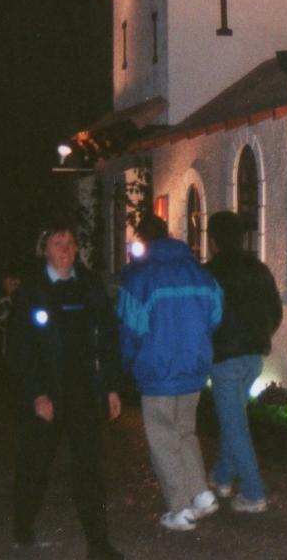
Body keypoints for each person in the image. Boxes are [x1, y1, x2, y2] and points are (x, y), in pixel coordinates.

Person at [6, 223, 124, 560]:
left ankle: (98, 544)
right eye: (58, 243)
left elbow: (108, 337)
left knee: (89, 469)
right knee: (35, 464)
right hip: (48, 393)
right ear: (45, 249)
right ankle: (22, 524)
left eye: (70, 242)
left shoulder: (89, 286)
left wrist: (112, 387)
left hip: (83, 392)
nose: (66, 249)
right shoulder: (32, 291)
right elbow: (20, 349)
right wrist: (36, 394)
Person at [117, 213, 223, 532]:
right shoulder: (199, 272)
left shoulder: (139, 277)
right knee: (185, 430)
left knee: (162, 437)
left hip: (157, 371)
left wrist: (126, 364)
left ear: (143, 240)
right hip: (193, 367)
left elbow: (129, 329)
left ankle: (179, 508)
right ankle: (201, 493)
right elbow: (216, 315)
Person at [205, 210, 283, 513]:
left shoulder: (209, 272)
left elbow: (204, 314)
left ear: (213, 240)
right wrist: (261, 334)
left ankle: (253, 492)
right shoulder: (259, 269)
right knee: (234, 419)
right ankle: (223, 477)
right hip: (254, 354)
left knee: (234, 424)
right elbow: (275, 310)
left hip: (224, 356)